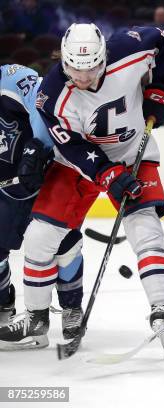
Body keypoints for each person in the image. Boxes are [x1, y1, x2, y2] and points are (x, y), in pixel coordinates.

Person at [0, 23, 164, 350]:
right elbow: (71, 147)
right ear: (64, 61)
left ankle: (160, 307)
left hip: (133, 157)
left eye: (92, 69)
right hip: (77, 166)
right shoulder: (52, 93)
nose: (82, 78)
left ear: (104, 56)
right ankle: (37, 318)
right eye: (74, 70)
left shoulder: (131, 47)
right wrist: (107, 174)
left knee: (145, 228)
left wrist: (161, 89)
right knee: (40, 236)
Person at [0, 63, 83, 342]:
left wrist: (36, 149)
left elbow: (43, 101)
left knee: (63, 243)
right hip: (6, 190)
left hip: (42, 174)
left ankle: (72, 308)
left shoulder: (12, 76)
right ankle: (4, 308)